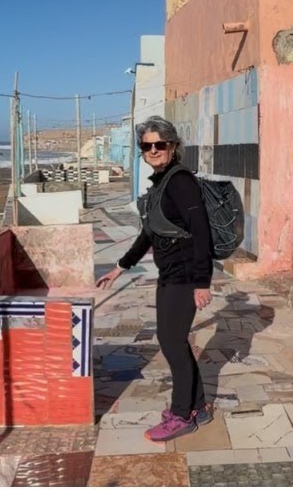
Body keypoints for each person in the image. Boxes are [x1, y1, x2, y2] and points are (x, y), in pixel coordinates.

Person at [96, 115, 214, 443]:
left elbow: (201, 230)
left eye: (159, 144)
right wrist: (120, 266)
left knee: (172, 342)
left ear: (173, 146)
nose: (153, 150)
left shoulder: (180, 181)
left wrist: (202, 281)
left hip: (185, 275)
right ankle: (198, 406)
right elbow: (150, 233)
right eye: (147, 146)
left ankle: (181, 415)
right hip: (170, 274)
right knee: (175, 341)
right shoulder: (160, 182)